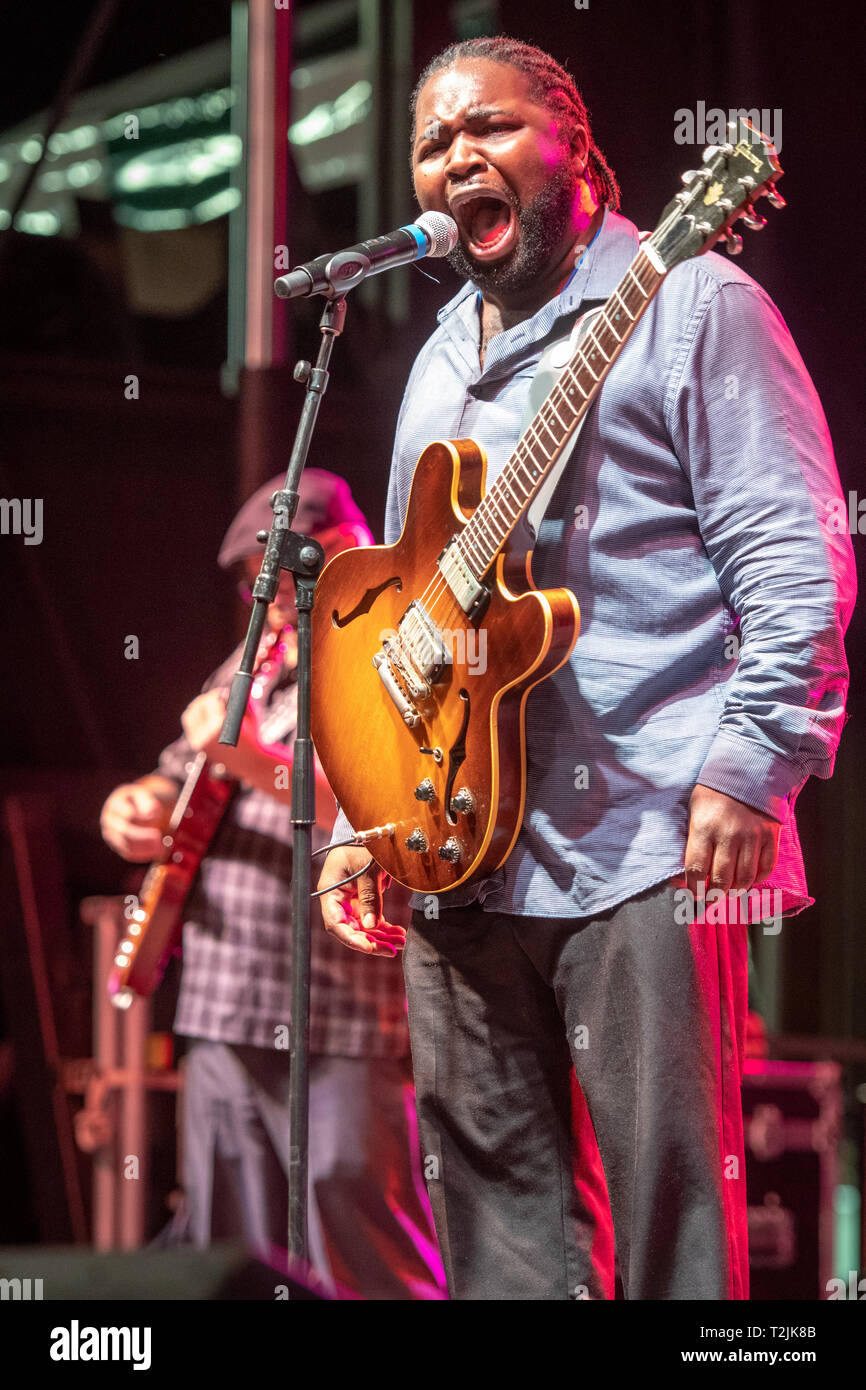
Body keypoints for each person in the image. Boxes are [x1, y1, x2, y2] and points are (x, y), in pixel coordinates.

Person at [316, 36, 856, 1300]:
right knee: (494, 1220)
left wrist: (751, 760)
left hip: (647, 830)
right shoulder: (442, 353)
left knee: (674, 1209)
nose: (457, 159)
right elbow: (401, 600)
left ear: (572, 144)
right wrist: (358, 814)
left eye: (489, 129)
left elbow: (793, 549)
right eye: (432, 143)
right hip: (457, 837)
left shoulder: (694, 302)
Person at [101, 468, 446, 1300]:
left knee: (358, 1232)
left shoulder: (400, 635)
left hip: (346, 1005)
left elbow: (384, 792)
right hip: (226, 995)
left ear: (340, 547)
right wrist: (134, 805)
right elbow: (182, 770)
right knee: (232, 1248)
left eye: (283, 571)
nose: (273, 598)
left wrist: (249, 756)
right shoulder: (262, 653)